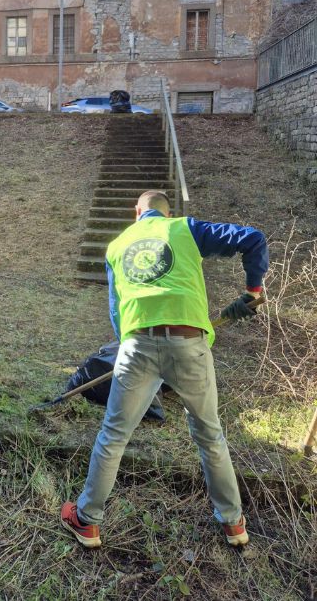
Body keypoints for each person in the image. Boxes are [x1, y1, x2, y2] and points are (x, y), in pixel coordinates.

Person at [60, 190, 267, 549]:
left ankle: (87, 521)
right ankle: (233, 523)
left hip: (137, 345)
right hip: (190, 343)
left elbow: (117, 312)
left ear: (136, 212)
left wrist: (135, 348)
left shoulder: (117, 246)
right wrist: (252, 291)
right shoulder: (185, 228)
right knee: (210, 436)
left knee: (114, 435)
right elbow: (253, 239)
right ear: (167, 214)